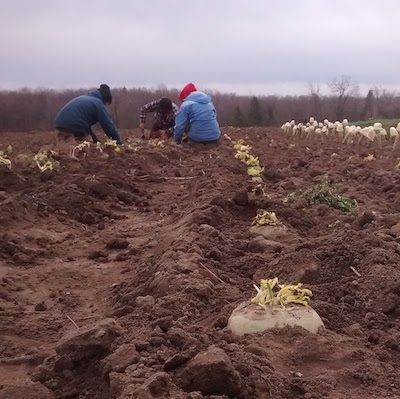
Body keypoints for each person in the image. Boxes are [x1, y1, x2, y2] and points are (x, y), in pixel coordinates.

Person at [54, 84, 122, 144]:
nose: (106, 107)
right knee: (86, 147)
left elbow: (86, 126)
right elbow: (108, 125)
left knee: (62, 150)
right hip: (74, 126)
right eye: (107, 104)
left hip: (59, 124)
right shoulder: (99, 104)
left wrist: (95, 139)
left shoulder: (85, 98)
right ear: (105, 100)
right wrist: (118, 142)